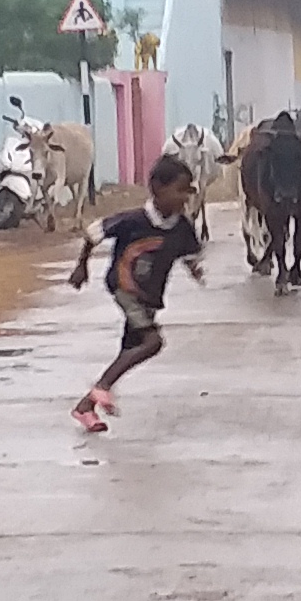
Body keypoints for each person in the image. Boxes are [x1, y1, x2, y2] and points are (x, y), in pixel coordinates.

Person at [67, 155, 207, 433]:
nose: (184, 198)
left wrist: (194, 270)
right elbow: (93, 234)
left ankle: (85, 407)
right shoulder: (133, 220)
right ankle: (103, 387)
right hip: (124, 286)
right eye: (179, 190)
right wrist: (81, 266)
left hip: (149, 296)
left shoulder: (181, 228)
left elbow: (187, 253)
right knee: (152, 342)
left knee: (130, 350)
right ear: (156, 188)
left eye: (188, 191)